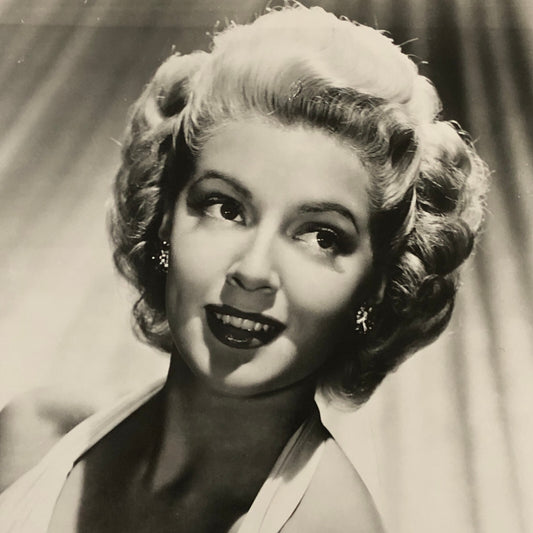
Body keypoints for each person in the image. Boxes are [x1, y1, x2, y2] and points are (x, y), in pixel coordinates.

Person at [0, 4, 487, 532]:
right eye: (225, 208)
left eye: (321, 237)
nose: (253, 271)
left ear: (375, 288)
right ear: (164, 220)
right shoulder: (35, 439)